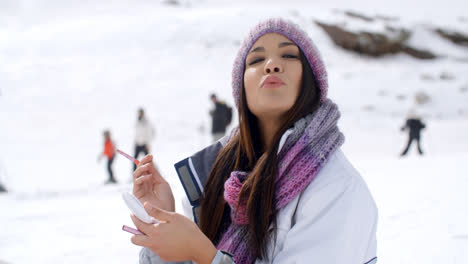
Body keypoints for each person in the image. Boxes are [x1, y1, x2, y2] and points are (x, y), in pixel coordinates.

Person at [128, 18, 378, 264]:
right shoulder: (217, 176)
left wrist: (204, 254)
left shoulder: (337, 187)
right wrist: (160, 225)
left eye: (289, 56)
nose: (271, 65)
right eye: (257, 60)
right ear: (242, 87)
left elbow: (200, 254)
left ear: (311, 80)